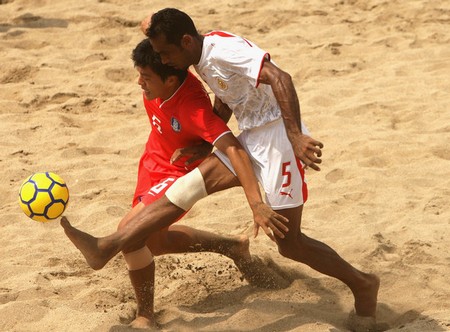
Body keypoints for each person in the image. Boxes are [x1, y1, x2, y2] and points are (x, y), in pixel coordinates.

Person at [62, 7, 379, 329]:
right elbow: (230, 92)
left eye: (166, 53)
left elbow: (281, 78)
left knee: (289, 243)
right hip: (252, 134)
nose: (165, 60)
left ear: (186, 41)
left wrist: (295, 136)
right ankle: (107, 246)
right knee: (186, 188)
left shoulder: (223, 53)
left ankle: (363, 283)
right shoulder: (198, 54)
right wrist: (205, 143)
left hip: (278, 140)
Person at [62, 38, 288, 329]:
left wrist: (255, 203)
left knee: (130, 233)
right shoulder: (161, 75)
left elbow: (234, 149)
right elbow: (156, 28)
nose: (138, 83)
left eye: (145, 78)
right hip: (152, 163)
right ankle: (232, 246)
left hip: (178, 170)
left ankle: (145, 315)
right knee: (155, 241)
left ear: (170, 80)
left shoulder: (194, 108)